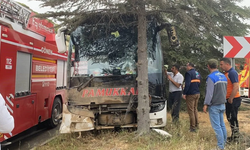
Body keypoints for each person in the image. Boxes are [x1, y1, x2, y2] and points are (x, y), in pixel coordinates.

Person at [203, 59, 227, 150]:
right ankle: (224, 143)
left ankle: (220, 146)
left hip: (214, 105)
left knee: (217, 126)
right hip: (222, 104)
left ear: (208, 66)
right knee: (222, 125)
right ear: (217, 66)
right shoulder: (223, 76)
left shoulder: (211, 77)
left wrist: (206, 104)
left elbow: (209, 93)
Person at [220, 58, 242, 143]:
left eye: (222, 64)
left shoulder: (232, 73)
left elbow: (236, 86)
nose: (220, 66)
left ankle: (236, 137)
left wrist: (231, 98)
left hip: (233, 99)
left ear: (227, 64)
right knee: (230, 117)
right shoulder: (227, 73)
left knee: (233, 117)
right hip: (229, 99)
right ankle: (234, 135)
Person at [182, 62, 201, 132]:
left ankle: (192, 127)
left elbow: (187, 84)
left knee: (191, 111)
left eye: (187, 66)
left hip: (191, 94)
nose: (186, 67)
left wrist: (184, 93)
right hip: (197, 93)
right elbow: (199, 83)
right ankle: (197, 125)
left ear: (190, 66)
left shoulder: (188, 73)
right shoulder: (197, 73)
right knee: (195, 109)